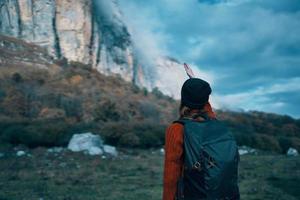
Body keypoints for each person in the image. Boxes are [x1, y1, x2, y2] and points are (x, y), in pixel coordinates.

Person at [163, 65, 239, 200]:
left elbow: (171, 177)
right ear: (205, 99)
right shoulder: (214, 123)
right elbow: (206, 106)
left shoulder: (177, 129)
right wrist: (196, 82)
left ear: (184, 99)